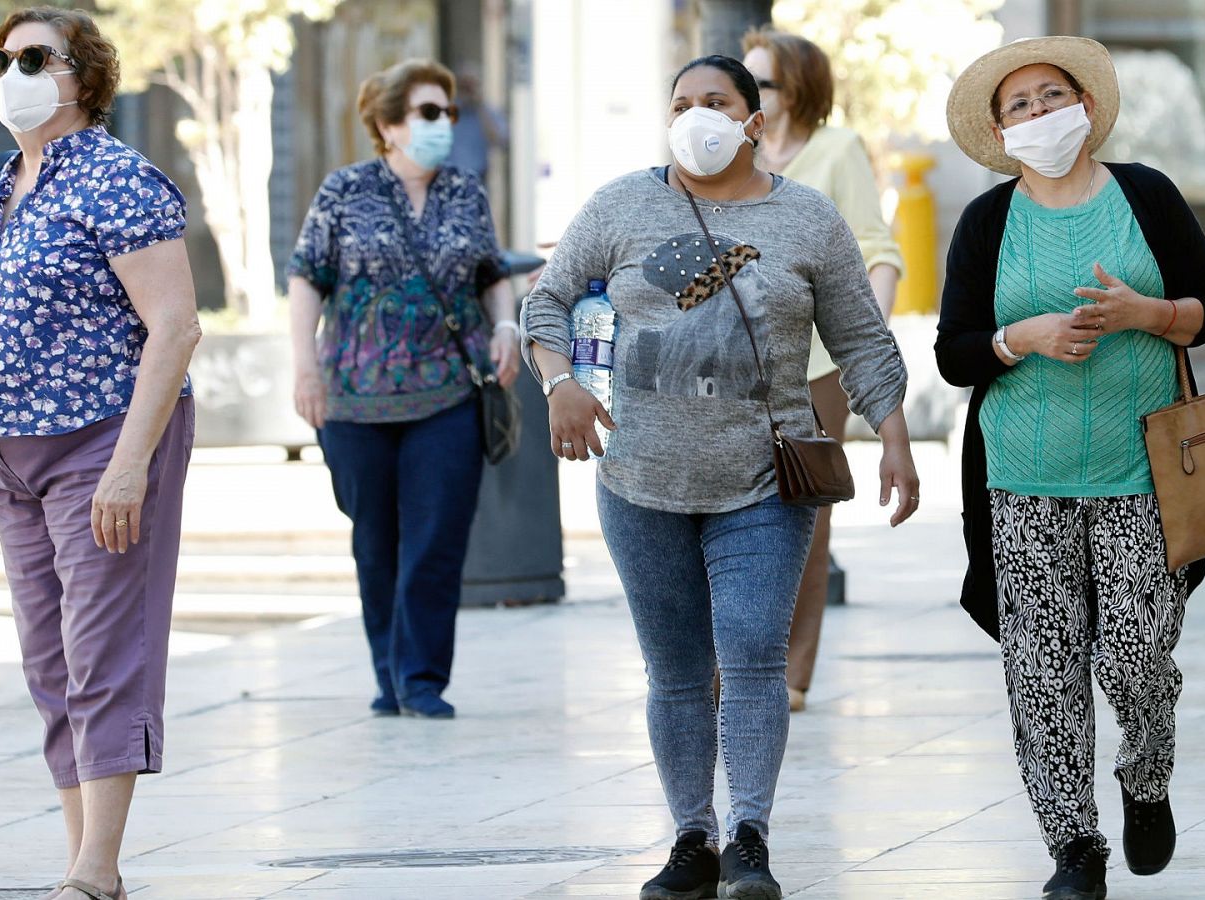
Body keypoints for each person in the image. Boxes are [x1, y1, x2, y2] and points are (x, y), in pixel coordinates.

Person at [523, 55, 918, 900]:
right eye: (681, 103)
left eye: (716, 102)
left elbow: (860, 337)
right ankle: (691, 839)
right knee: (673, 669)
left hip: (764, 481)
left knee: (748, 650)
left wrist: (894, 437)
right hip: (640, 481)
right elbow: (546, 302)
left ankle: (749, 836)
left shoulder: (807, 218)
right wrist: (560, 384)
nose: (696, 115)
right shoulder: (621, 204)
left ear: (752, 120)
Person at [0, 8, 200, 900]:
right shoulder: (0, 181)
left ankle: (95, 869)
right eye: (3, 58)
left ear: (85, 75)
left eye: (38, 58)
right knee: (48, 662)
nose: (14, 73)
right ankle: (85, 865)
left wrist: (128, 464)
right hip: (7, 451)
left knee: (102, 648)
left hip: (104, 438)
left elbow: (176, 327)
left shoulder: (120, 179)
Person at [936, 37, 1205, 900]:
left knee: (1139, 656)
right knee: (1042, 664)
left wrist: (1151, 313)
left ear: (1087, 106)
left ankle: (1145, 778)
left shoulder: (1144, 194)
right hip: (1020, 477)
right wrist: (1019, 339)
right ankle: (1075, 846)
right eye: (1018, 104)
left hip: (1142, 471)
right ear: (1000, 129)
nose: (1037, 112)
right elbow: (956, 354)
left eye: (1050, 95)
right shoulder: (988, 222)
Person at [288, 59, 520, 721]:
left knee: (436, 542)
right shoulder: (344, 191)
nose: (442, 123)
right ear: (387, 124)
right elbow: (307, 278)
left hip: (449, 392)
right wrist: (304, 366)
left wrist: (504, 324)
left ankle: (421, 679)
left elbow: (490, 272)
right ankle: (388, 673)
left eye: (446, 112)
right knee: (375, 542)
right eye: (426, 112)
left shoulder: (466, 192)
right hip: (354, 399)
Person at [741, 27, 904, 713]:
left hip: (814, 368)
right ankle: (738, 662)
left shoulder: (837, 152)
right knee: (734, 511)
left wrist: (863, 345)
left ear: (798, 88)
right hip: (731, 368)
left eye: (764, 84)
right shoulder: (735, 154)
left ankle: (791, 673)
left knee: (804, 519)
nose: (750, 97)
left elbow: (877, 247)